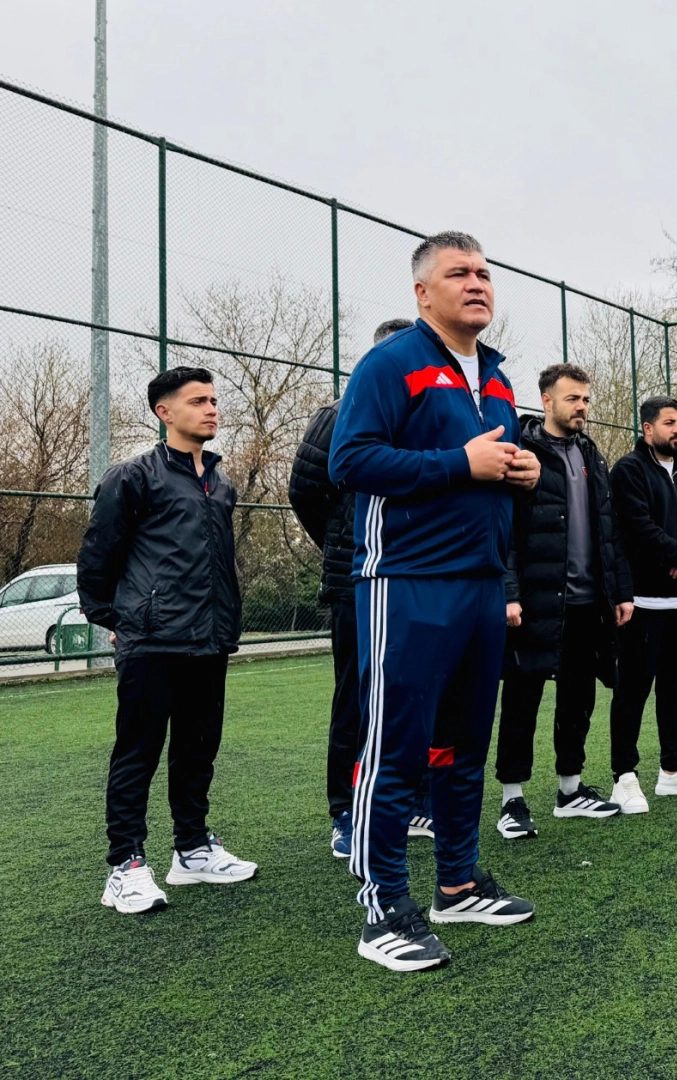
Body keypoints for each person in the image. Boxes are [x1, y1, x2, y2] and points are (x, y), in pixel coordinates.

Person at [330, 231, 540, 972]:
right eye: (459, 273)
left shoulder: (499, 379)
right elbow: (349, 460)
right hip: (407, 581)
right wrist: (461, 463)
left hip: (481, 584)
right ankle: (383, 908)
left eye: (485, 272)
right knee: (396, 748)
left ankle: (458, 882)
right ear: (423, 293)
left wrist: (520, 471)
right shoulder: (391, 363)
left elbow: (485, 470)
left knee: (463, 745)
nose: (477, 283)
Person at [79, 366, 255, 915]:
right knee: (138, 752)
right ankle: (125, 866)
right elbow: (97, 554)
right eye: (198, 401)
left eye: (214, 400)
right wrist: (115, 617)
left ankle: (193, 850)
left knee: (198, 749)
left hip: (210, 639)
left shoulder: (221, 483)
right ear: (165, 412)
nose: (212, 409)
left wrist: (225, 624)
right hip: (152, 641)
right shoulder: (133, 476)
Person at [289, 318, 437, 862]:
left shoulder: (431, 411)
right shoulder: (339, 413)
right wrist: (348, 548)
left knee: (417, 694)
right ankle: (346, 811)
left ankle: (413, 802)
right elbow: (305, 492)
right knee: (356, 697)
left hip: (421, 578)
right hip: (359, 583)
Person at [495, 364, 634, 833]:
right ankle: (512, 802)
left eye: (586, 399)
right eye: (573, 398)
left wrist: (621, 591)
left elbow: (609, 530)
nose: (582, 407)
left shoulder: (592, 454)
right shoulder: (521, 451)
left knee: (578, 699)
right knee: (522, 701)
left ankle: (570, 791)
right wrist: (510, 593)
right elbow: (504, 530)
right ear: (546, 401)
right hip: (535, 603)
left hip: (588, 605)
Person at [606, 396, 677, 811]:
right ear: (647, 428)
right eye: (669, 423)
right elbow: (637, 526)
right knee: (632, 691)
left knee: (676, 689)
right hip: (642, 604)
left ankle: (673, 770)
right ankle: (624, 776)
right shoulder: (628, 471)